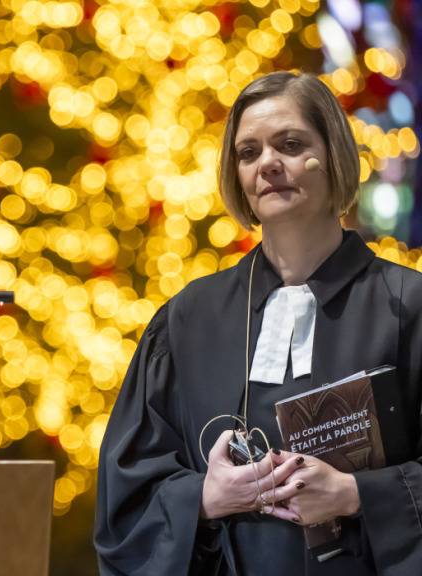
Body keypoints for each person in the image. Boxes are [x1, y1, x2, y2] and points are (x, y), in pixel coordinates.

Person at [95, 72, 422, 575]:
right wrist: (203, 499)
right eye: (248, 153)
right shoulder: (188, 319)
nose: (268, 163)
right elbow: (128, 493)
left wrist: (357, 495)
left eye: (290, 145)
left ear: (333, 154)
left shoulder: (409, 305)